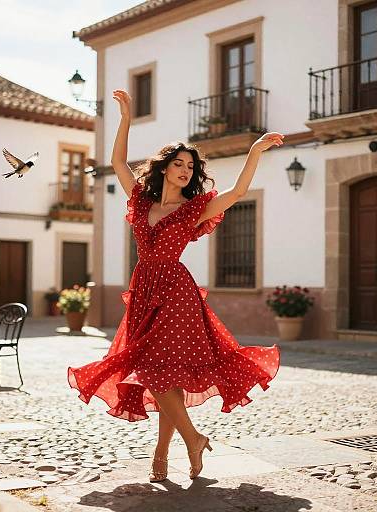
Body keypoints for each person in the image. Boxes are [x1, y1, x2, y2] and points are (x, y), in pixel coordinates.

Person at [68, 89, 282, 482]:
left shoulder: (193, 208)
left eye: (190, 166)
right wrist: (126, 118)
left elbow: (236, 193)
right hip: (144, 289)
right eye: (179, 164)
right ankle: (161, 455)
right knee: (165, 373)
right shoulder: (140, 200)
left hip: (176, 293)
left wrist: (254, 151)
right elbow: (116, 161)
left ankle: (193, 439)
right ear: (165, 167)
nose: (185, 170)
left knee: (154, 370)